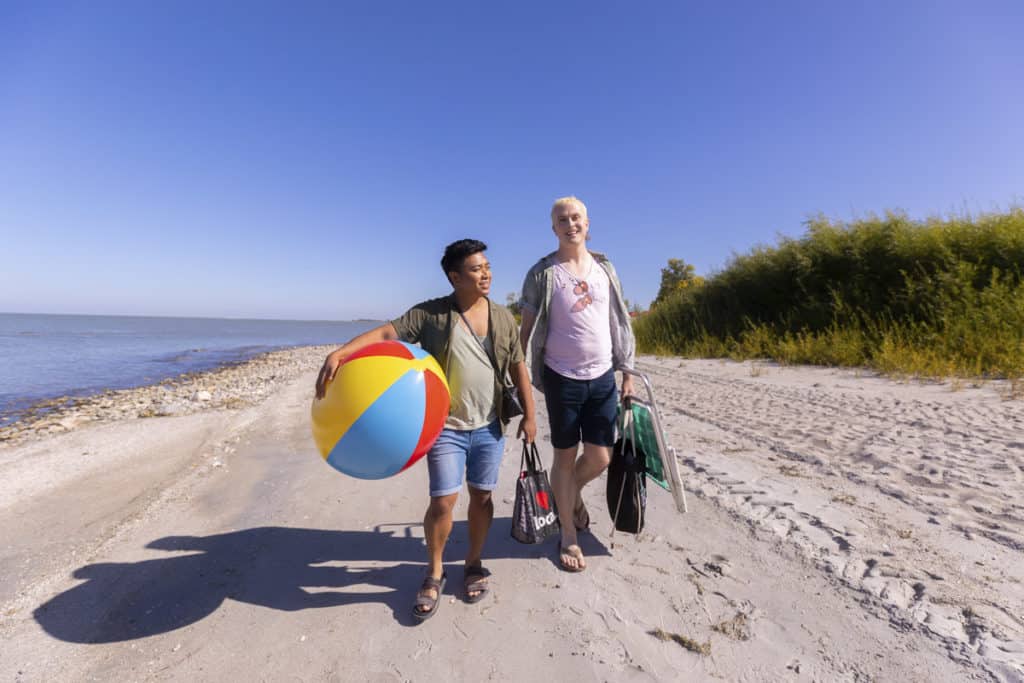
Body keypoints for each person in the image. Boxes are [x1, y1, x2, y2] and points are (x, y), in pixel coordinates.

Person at [315, 239, 536, 620]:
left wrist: (531, 416)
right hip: (446, 428)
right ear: (455, 276)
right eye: (476, 268)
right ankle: (434, 572)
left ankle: (473, 563)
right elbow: (388, 334)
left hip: (490, 426)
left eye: (487, 266)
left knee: (482, 498)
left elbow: (518, 366)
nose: (486, 273)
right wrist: (342, 352)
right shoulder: (433, 314)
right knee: (442, 502)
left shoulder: (502, 317)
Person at [519, 196, 636, 572]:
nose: (570, 224)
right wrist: (520, 381)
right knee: (565, 458)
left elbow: (619, 321)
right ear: (553, 228)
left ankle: (569, 496)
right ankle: (567, 533)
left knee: (601, 456)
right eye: (562, 220)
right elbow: (526, 331)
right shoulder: (542, 273)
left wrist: (628, 372)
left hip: (602, 376)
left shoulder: (605, 268)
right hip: (560, 377)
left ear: (588, 223)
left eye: (576, 218)